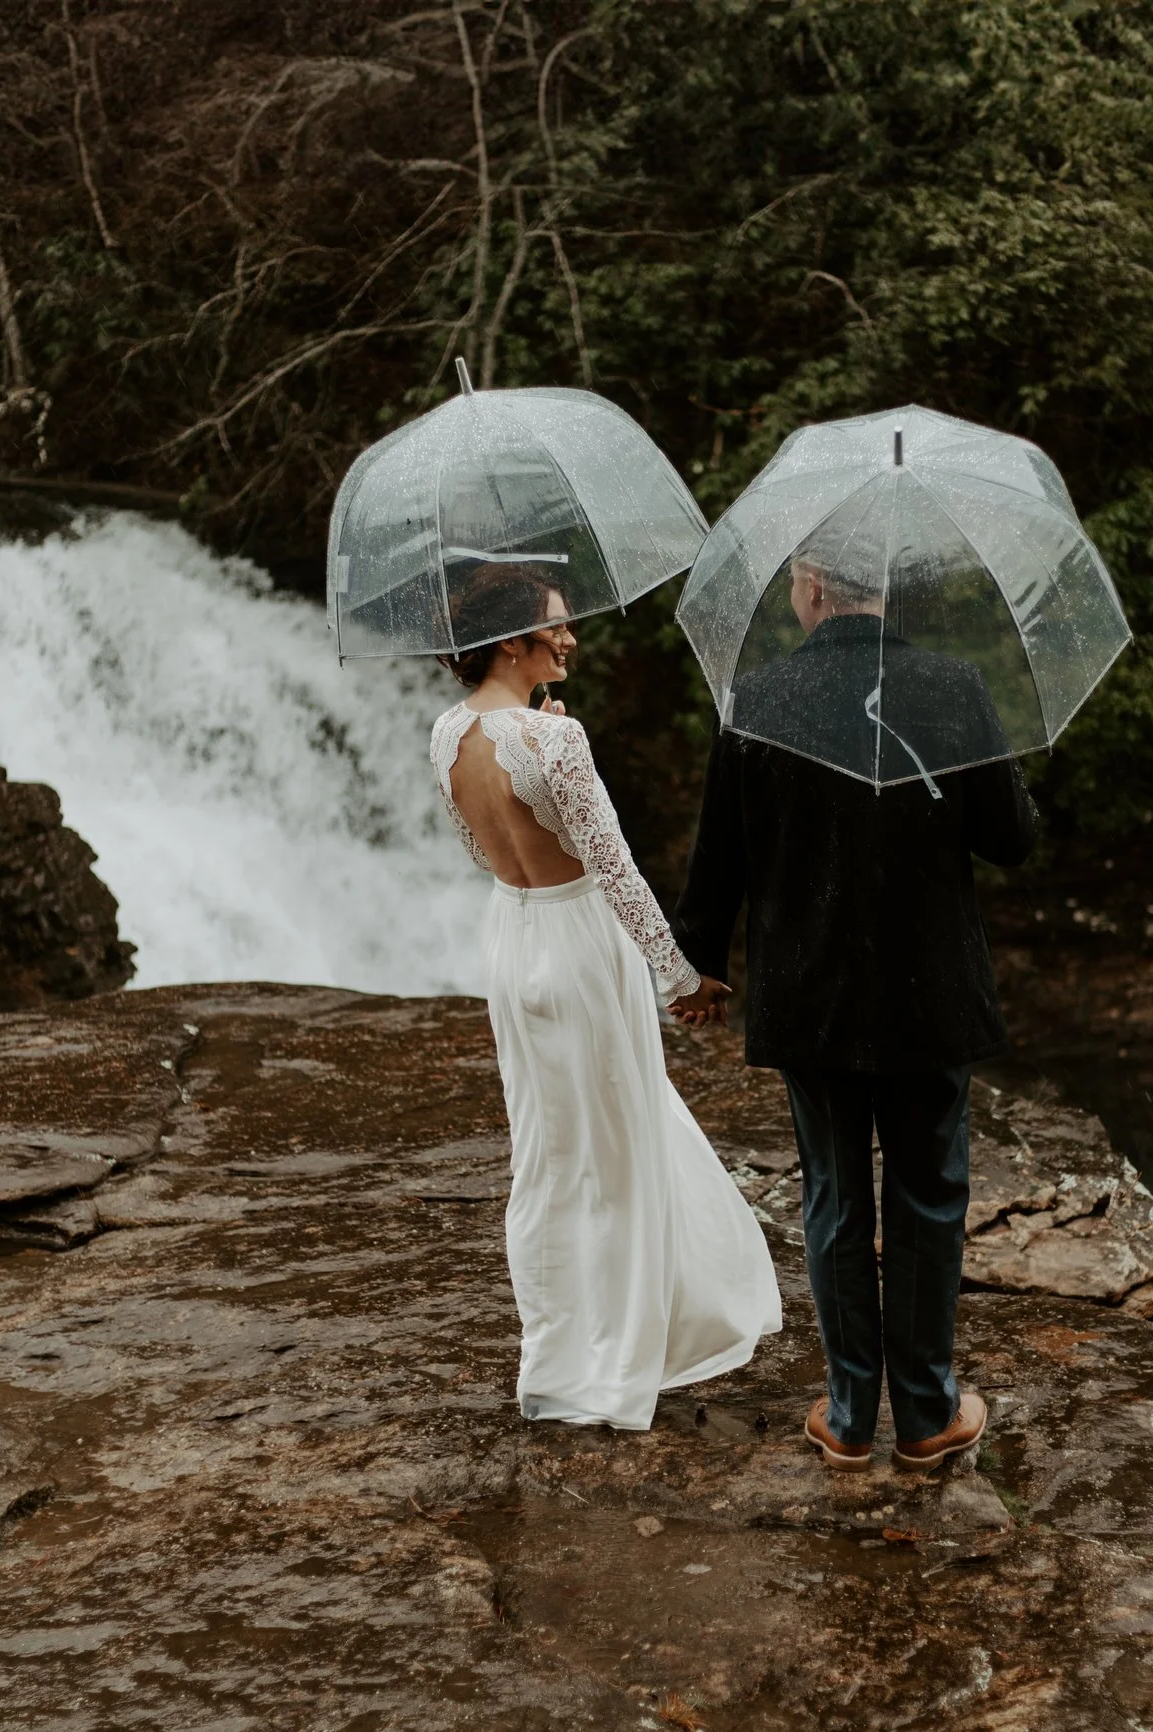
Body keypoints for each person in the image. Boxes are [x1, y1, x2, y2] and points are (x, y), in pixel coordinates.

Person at [673, 554, 1038, 1473]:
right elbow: (1013, 841)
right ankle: (924, 1415)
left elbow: (721, 856)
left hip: (815, 995)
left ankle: (847, 1416)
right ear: (889, 586)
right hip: (928, 992)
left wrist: (701, 968)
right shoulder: (952, 686)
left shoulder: (758, 697)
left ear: (811, 584)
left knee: (835, 1195)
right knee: (927, 1193)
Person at [427, 562, 782, 1430]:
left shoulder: (445, 736)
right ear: (513, 641)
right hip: (583, 944)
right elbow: (614, 869)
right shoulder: (560, 739)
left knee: (547, 1154)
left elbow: (488, 851)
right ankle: (626, 1360)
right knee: (619, 1153)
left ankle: (553, 1361)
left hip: (514, 940)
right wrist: (680, 977)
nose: (572, 636)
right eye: (558, 624)